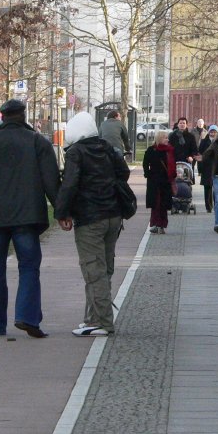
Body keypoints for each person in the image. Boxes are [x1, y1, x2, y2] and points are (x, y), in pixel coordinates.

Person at [0, 98, 61, 338]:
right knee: (29, 267)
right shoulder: (38, 142)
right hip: (27, 218)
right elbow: (52, 181)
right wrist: (62, 211)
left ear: (2, 117)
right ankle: (27, 317)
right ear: (24, 115)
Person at [55, 112, 130, 337]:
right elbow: (124, 172)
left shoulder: (76, 153)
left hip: (90, 218)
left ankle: (103, 322)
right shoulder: (106, 148)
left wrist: (62, 213)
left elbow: (69, 185)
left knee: (92, 269)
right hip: (113, 215)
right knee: (104, 267)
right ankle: (92, 317)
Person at [143, 130, 175, 234]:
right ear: (159, 138)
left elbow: (173, 165)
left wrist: (173, 176)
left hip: (166, 181)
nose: (167, 139)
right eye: (165, 137)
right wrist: (147, 174)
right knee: (156, 204)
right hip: (154, 181)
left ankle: (162, 225)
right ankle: (155, 224)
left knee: (164, 204)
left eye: (167, 137)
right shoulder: (152, 150)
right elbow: (145, 163)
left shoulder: (169, 150)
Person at [168, 117, 199, 182]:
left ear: (186, 125)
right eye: (180, 123)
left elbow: (195, 149)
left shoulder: (191, 136)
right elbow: (169, 148)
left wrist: (191, 156)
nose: (182, 124)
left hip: (187, 162)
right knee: (175, 181)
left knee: (186, 181)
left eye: (184, 123)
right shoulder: (173, 136)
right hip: (175, 162)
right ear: (178, 125)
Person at [197, 124, 218, 212]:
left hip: (217, 167)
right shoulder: (204, 141)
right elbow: (200, 155)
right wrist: (200, 169)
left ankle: (217, 205)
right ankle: (208, 207)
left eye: (214, 132)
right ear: (209, 132)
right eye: (211, 132)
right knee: (207, 188)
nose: (213, 134)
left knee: (217, 188)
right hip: (206, 168)